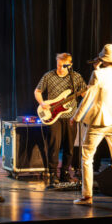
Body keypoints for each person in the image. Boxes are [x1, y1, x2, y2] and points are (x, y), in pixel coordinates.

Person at [72, 44, 112, 205]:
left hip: (99, 120)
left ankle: (87, 196)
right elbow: (109, 79)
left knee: (87, 157)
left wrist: (76, 117)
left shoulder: (98, 74)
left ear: (103, 58)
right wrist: (99, 66)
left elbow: (88, 98)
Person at [34, 52, 87, 183]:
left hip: (71, 117)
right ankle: (52, 174)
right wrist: (42, 103)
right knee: (54, 146)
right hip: (53, 116)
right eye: (58, 65)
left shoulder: (76, 77)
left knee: (69, 147)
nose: (60, 68)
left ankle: (65, 173)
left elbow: (84, 94)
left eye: (63, 66)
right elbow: (37, 91)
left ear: (70, 65)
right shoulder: (49, 76)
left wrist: (88, 92)